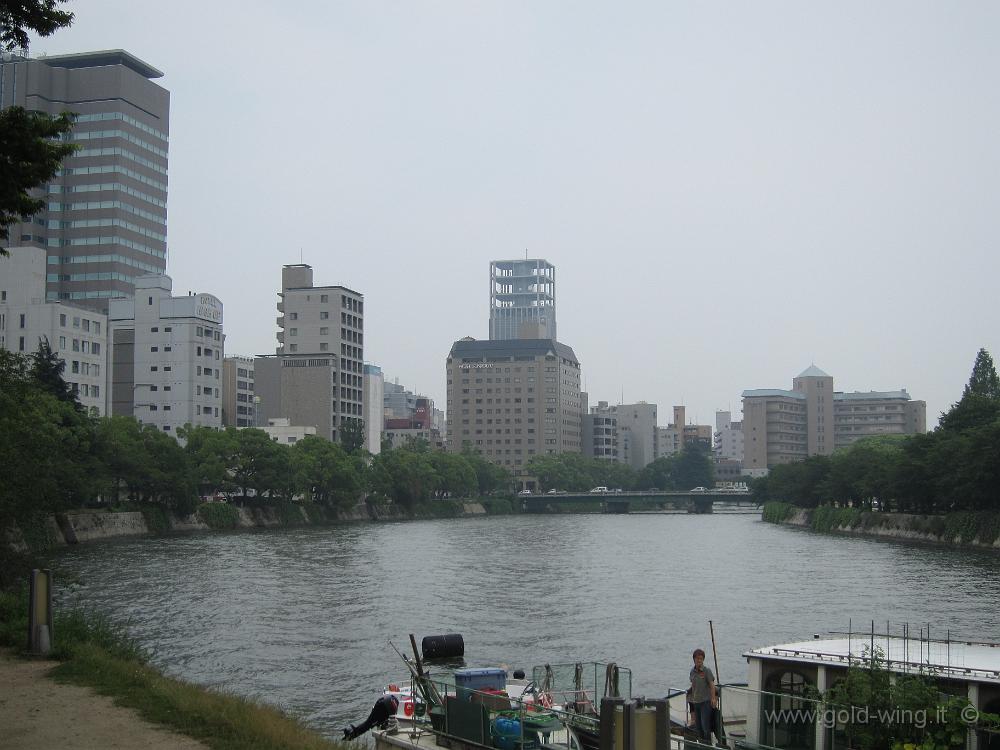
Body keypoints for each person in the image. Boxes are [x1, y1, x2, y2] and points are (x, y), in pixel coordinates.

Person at [688, 648, 717, 744]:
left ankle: (708, 745)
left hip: (705, 702)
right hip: (696, 702)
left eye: (701, 659)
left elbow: (712, 685)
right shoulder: (692, 671)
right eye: (697, 659)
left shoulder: (706, 671)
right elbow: (693, 685)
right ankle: (701, 745)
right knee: (698, 727)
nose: (699, 660)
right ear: (694, 659)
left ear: (703, 660)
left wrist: (713, 698)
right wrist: (690, 697)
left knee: (705, 727)